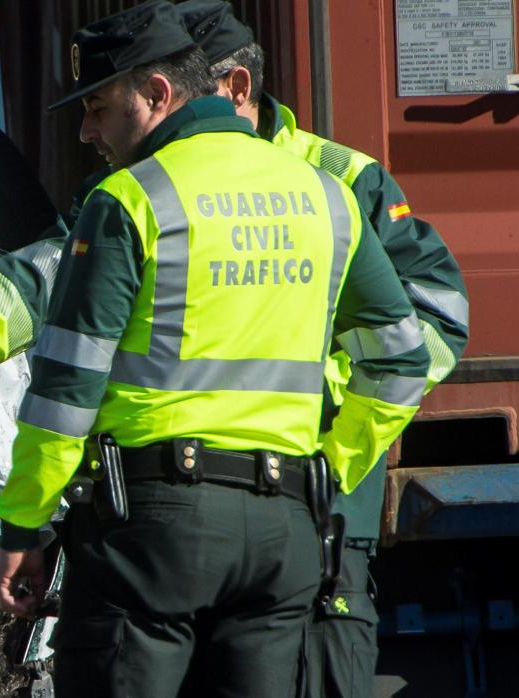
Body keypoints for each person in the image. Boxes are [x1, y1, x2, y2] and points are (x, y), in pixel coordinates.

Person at [0, 1, 430, 693]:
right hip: (283, 532)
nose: (86, 132)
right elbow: (402, 358)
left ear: (156, 94)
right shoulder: (326, 197)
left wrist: (22, 526)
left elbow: (65, 390)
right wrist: (332, 462)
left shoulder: (133, 200)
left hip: (155, 534)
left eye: (98, 107)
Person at [173, 3, 469, 695]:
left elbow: (435, 318)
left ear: (237, 89)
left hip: (319, 499)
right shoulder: (152, 180)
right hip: (188, 510)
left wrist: (333, 447)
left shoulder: (343, 178)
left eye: (180, 99)